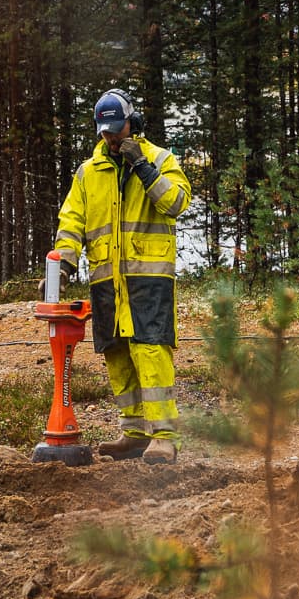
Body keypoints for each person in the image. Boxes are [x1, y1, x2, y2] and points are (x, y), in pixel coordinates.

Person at [53, 89, 191, 463]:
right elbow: (72, 222)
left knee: (150, 348)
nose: (113, 138)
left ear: (134, 122)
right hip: (105, 278)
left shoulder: (160, 160)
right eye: (106, 132)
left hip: (149, 277)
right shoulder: (88, 173)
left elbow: (176, 202)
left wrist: (144, 169)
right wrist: (64, 262)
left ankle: (165, 435)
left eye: (118, 130)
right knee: (116, 353)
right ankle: (134, 433)